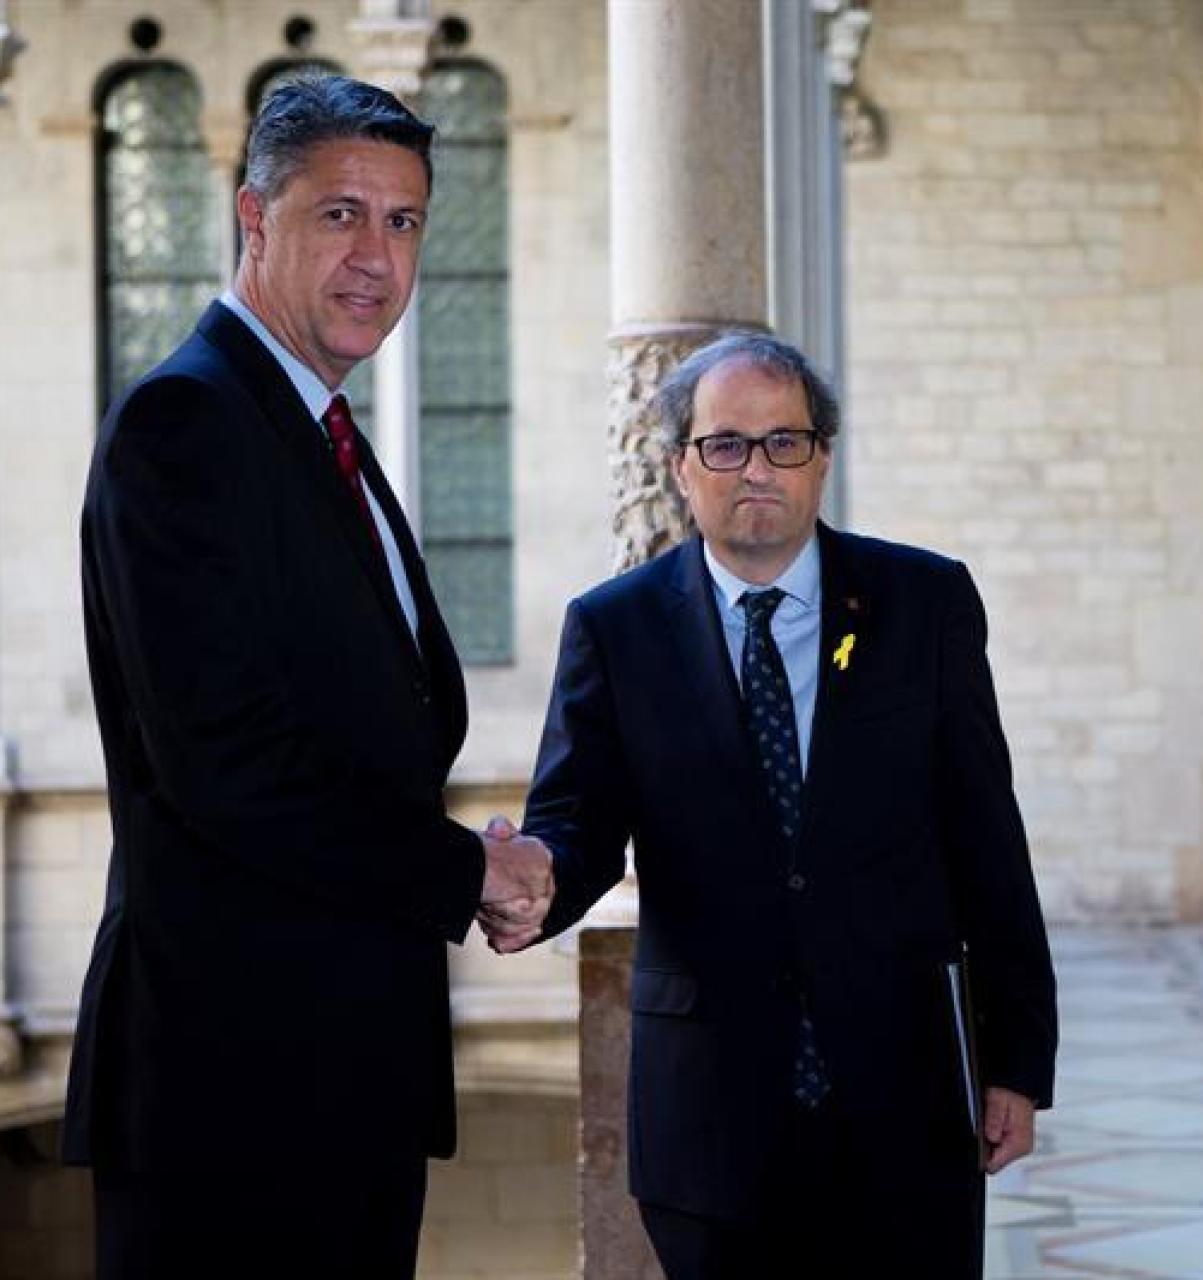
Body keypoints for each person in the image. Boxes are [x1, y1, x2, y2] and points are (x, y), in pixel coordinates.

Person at [63, 74, 553, 1278]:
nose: (376, 257)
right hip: (230, 1092)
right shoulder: (184, 424)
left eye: (403, 221)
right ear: (253, 216)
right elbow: (226, 762)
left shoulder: (317, 429)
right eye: (340, 214)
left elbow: (373, 726)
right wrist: (464, 870)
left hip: (344, 1077)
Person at [484, 332, 1058, 1278]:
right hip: (708, 1120)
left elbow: (987, 838)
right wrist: (533, 879)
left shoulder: (924, 603)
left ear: (822, 457)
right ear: (681, 467)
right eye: (725, 444)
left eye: (783, 442)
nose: (757, 469)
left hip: (904, 1106)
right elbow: (578, 821)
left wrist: (1017, 1061)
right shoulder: (616, 628)